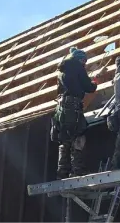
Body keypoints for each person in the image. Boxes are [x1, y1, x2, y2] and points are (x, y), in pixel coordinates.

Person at [50, 47, 105, 179]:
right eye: (84, 61)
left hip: (61, 108)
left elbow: (69, 86)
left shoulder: (62, 70)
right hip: (73, 106)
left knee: (65, 138)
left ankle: (62, 171)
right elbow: (88, 87)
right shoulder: (77, 66)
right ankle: (77, 170)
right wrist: (95, 82)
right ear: (80, 59)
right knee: (78, 136)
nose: (85, 64)